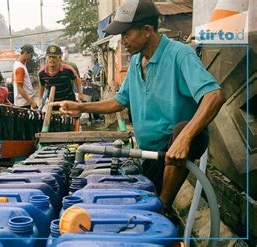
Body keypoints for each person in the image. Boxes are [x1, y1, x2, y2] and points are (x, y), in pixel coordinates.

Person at [52, 0, 226, 214]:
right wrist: (82, 108)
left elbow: (215, 95)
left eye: (126, 34)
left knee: (157, 208)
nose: (123, 41)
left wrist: (184, 137)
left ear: (146, 31)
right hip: (147, 153)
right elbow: (119, 101)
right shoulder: (136, 62)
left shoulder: (180, 55)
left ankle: (164, 206)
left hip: (174, 148)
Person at [12, 44, 38, 109]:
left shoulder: (17, 63)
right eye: (31, 55)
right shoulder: (20, 68)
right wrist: (31, 102)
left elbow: (12, 80)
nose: (31, 57)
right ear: (26, 53)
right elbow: (20, 88)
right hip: (23, 103)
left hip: (23, 101)